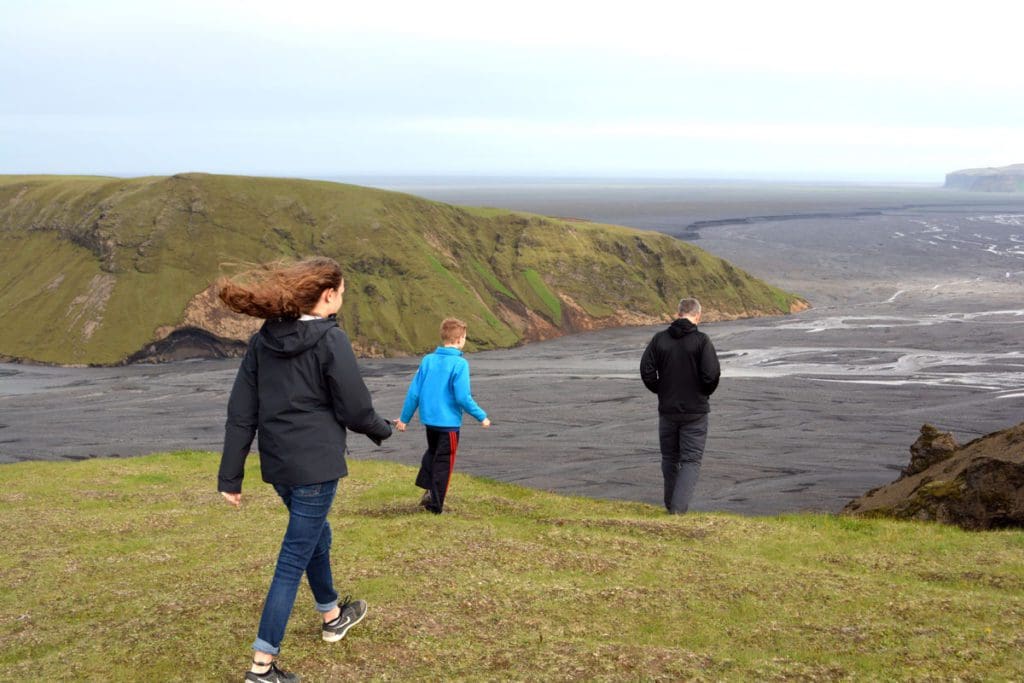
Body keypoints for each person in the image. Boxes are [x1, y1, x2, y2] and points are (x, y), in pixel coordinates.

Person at [217, 257, 393, 683]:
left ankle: (332, 614)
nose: (342, 299)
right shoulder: (331, 340)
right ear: (328, 295)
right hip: (315, 465)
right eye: (342, 293)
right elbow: (355, 408)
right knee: (293, 557)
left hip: (279, 464)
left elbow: (242, 410)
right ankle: (262, 667)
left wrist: (231, 476)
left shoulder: (264, 340)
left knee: (316, 534)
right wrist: (383, 430)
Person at [394, 317, 491, 513]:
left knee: (433, 453)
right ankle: (435, 506)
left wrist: (404, 419)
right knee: (444, 463)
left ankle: (427, 489)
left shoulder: (428, 360)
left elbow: (414, 392)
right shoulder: (460, 364)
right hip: (449, 425)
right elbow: (463, 397)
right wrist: (481, 416)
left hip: (430, 421)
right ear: (459, 339)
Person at [640, 297, 721, 514]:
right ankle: (677, 510)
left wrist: (661, 390)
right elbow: (711, 375)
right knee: (691, 460)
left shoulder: (659, 340)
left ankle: (671, 506)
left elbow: (646, 370)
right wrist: (702, 394)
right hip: (695, 412)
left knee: (669, 458)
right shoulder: (702, 341)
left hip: (667, 411)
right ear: (698, 316)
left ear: (678, 314)